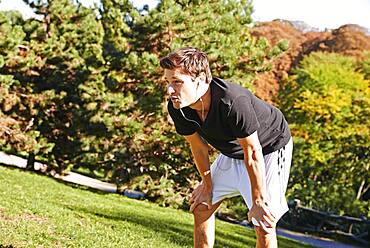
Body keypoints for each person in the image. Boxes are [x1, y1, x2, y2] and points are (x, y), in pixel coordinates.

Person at [160, 47, 293, 248]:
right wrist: (207, 184)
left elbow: (252, 151)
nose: (170, 90)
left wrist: (258, 202)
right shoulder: (179, 107)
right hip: (234, 152)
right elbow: (198, 147)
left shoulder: (232, 101)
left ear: (201, 78)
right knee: (201, 206)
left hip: (268, 150)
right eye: (168, 82)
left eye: (177, 82)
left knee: (264, 224)